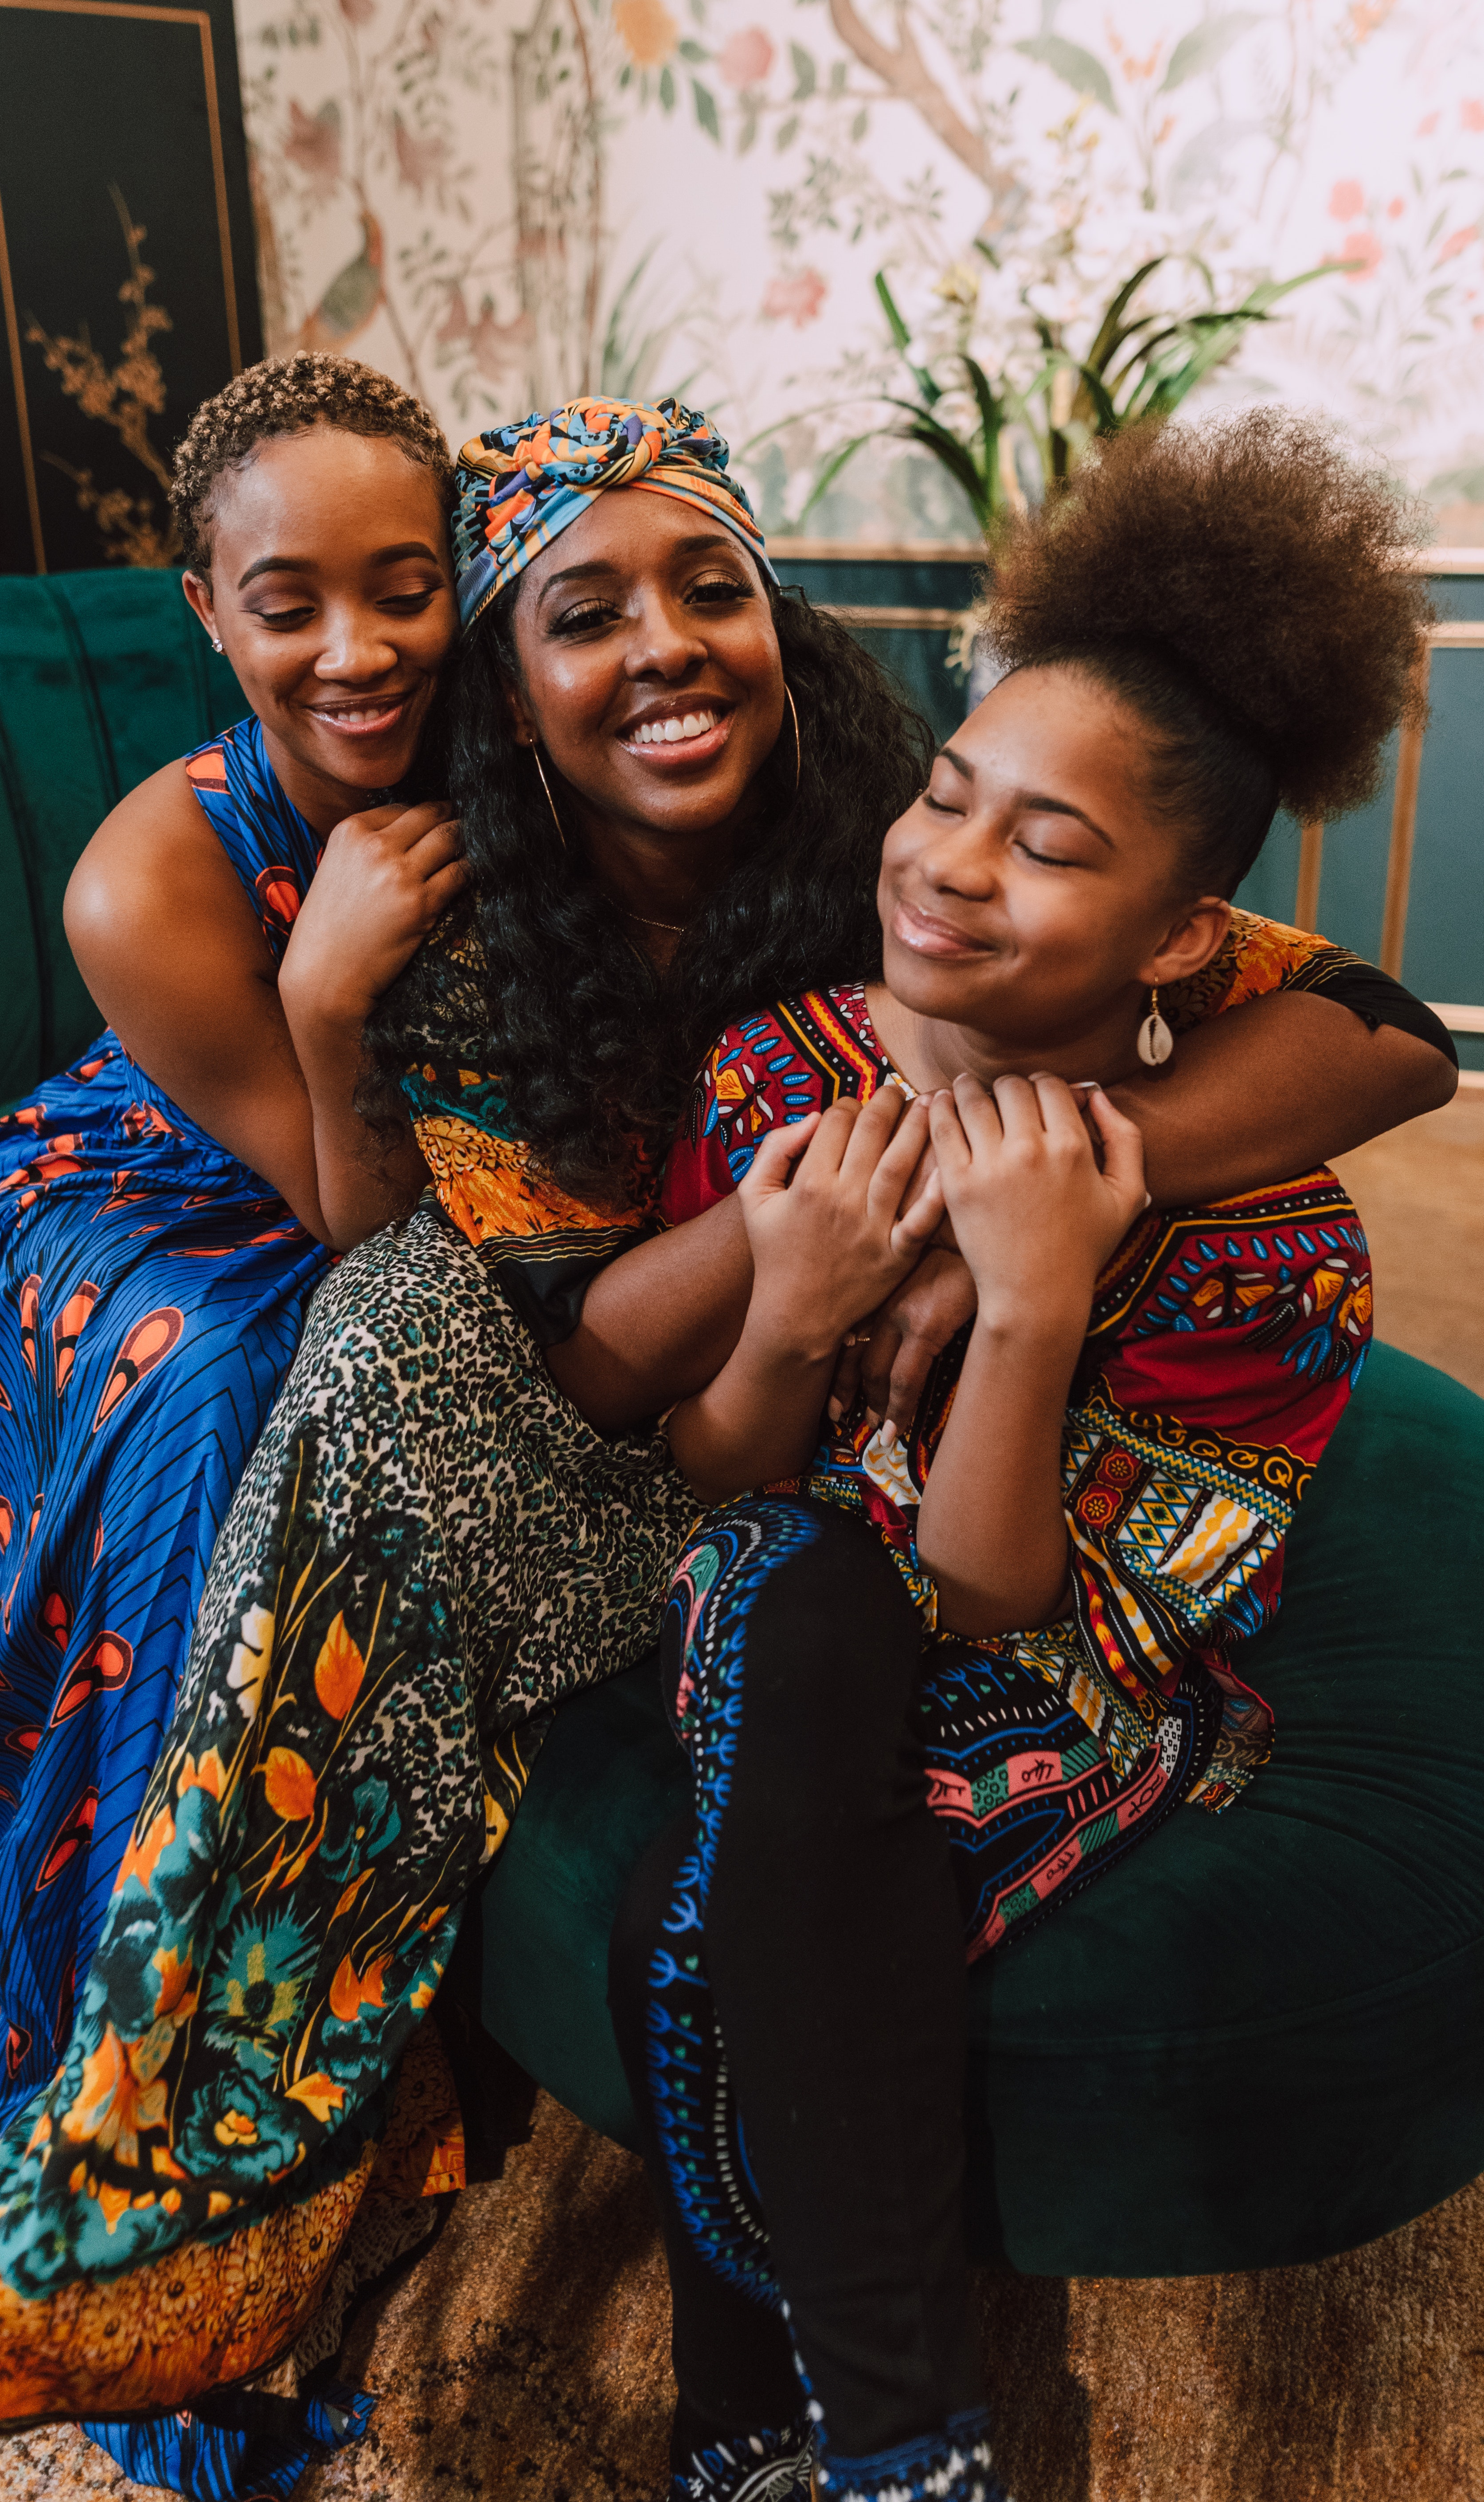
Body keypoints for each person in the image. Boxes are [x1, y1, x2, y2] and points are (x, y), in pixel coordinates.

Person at [0, 399, 1454, 2472]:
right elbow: (560, 1350)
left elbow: (1385, 1035)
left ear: (783, 620)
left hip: (868, 1476)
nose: (669, 645)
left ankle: (839, 2420)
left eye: (713, 586)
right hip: (627, 1370)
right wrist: (788, 1253)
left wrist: (1031, 1189)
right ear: (505, 694)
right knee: (363, 1347)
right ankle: (194, 2130)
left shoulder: (904, 854)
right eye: (581, 613)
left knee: (739, 1682)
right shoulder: (461, 918)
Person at [605, 408, 1432, 2502]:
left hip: (1053, 1673)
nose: (949, 864)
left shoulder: (1267, 1249)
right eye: (948, 795)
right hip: (774, 1611)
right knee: (770, 1637)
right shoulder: (776, 1073)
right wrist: (788, 1303)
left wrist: (1037, 1292)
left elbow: (995, 1599)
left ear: (1183, 938)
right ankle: (852, 2435)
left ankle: (798, 2429)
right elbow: (719, 1473)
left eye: (1048, 846)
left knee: (715, 1855)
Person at [0, 352, 469, 2470]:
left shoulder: (526, 725)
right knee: (239, 1394)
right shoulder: (144, 879)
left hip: (382, 1168)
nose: (353, 648)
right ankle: (196, 2065)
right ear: (209, 610)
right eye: (289, 600)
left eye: (404, 585)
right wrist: (329, 985)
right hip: (165, 1197)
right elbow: (358, 1220)